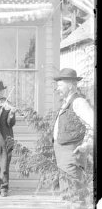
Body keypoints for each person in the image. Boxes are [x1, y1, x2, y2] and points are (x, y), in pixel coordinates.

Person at [52, 68, 93, 201]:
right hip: (64, 157)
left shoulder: (78, 102)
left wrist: (86, 145)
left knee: (73, 196)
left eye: (60, 85)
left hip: (72, 155)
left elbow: (93, 124)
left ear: (70, 85)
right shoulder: (67, 103)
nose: (57, 88)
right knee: (68, 195)